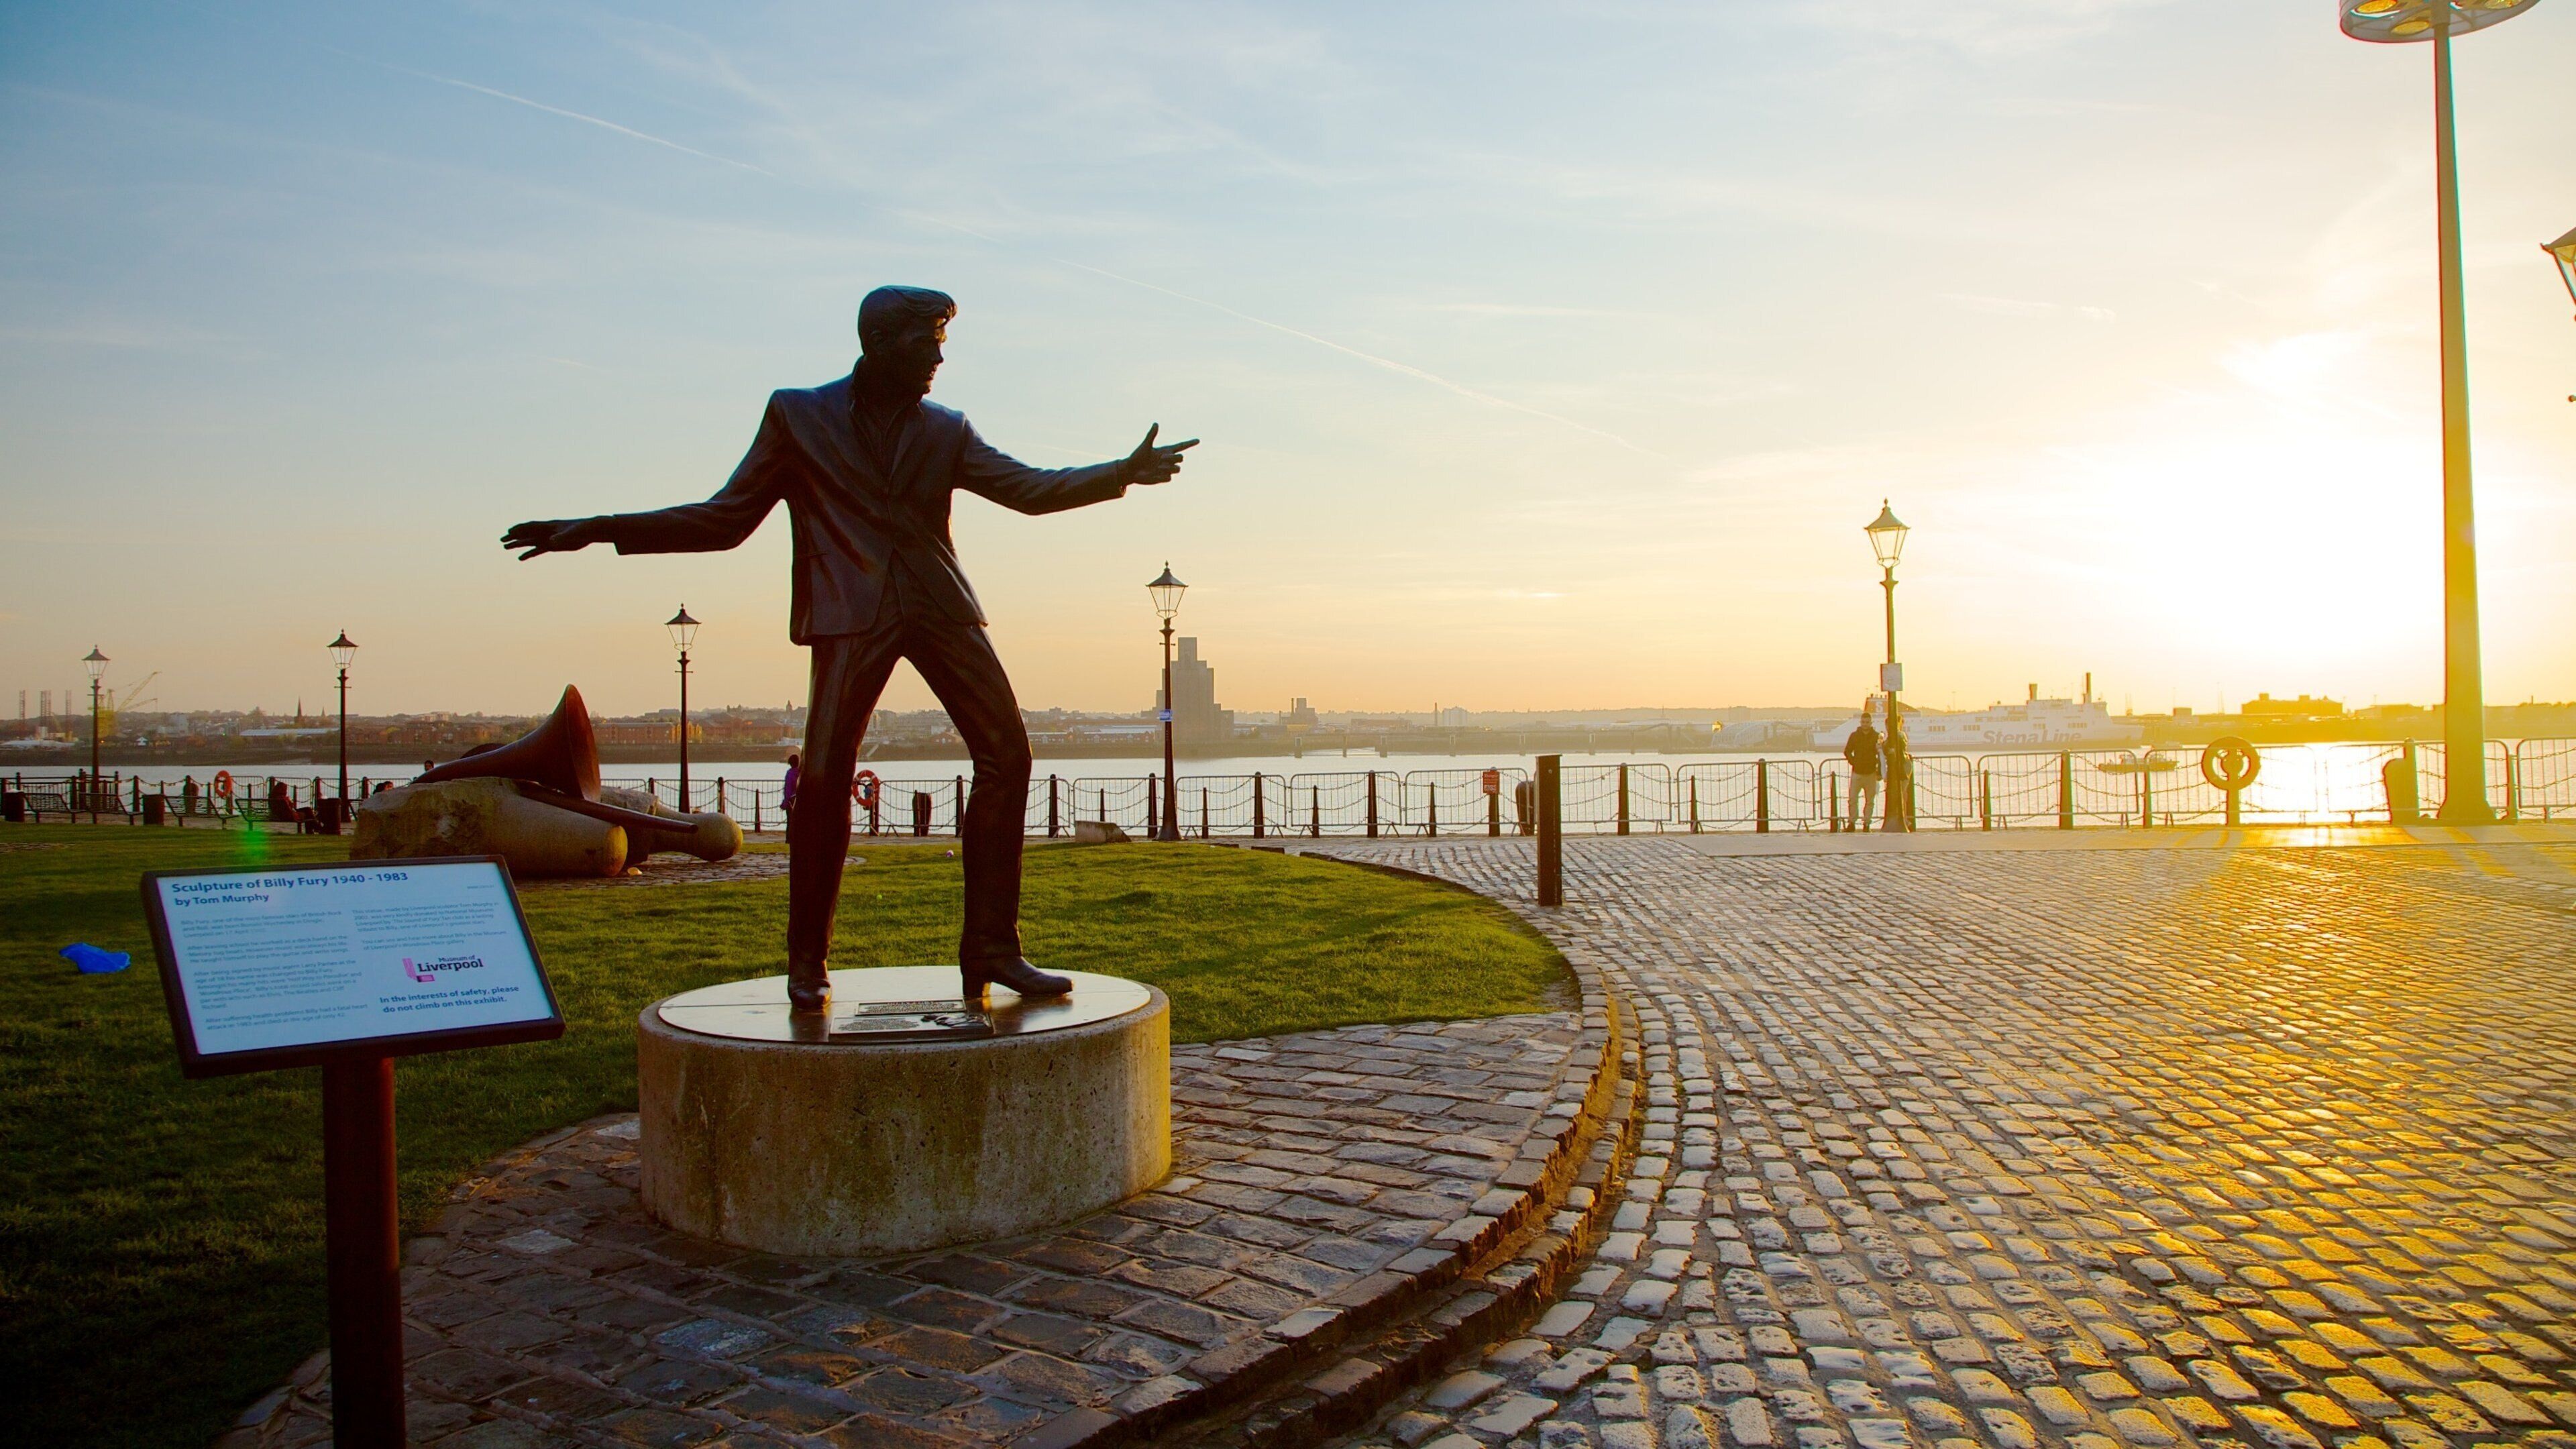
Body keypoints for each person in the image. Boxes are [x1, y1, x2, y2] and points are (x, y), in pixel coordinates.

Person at [501, 286, 1195, 1015]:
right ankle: (808, 960)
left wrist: (1119, 472)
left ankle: (992, 946)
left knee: (1008, 755)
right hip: (849, 614)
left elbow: (1027, 489)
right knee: (827, 779)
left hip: (939, 605)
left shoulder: (946, 430)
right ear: (878, 343)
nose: (938, 357)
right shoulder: (799, 417)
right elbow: (725, 519)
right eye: (925, 342)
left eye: (942, 342)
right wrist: (599, 528)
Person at [1842, 703, 1882, 833]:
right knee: (1853, 799)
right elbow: (1847, 751)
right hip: (1857, 772)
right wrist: (1854, 762)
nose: (1865, 724)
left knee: (1870, 801)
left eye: (1867, 722)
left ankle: (1867, 824)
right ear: (1861, 722)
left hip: (1871, 772)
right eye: (1863, 722)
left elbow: (1881, 754)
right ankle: (1852, 823)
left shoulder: (1877, 736)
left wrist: (1879, 771)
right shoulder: (1854, 736)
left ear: (1871, 723)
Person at [1882, 711, 1912, 832]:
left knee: (1901, 793)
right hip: (1898, 766)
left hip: (1902, 767)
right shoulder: (1893, 736)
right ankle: (1902, 818)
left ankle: (1903, 819)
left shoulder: (1899, 735)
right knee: (1899, 793)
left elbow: (1893, 748)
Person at [781, 751, 802, 830]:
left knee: (790, 821)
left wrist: (785, 802)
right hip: (799, 800)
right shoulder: (801, 773)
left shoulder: (790, 774)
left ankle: (789, 838)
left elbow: (788, 790)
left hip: (791, 801)